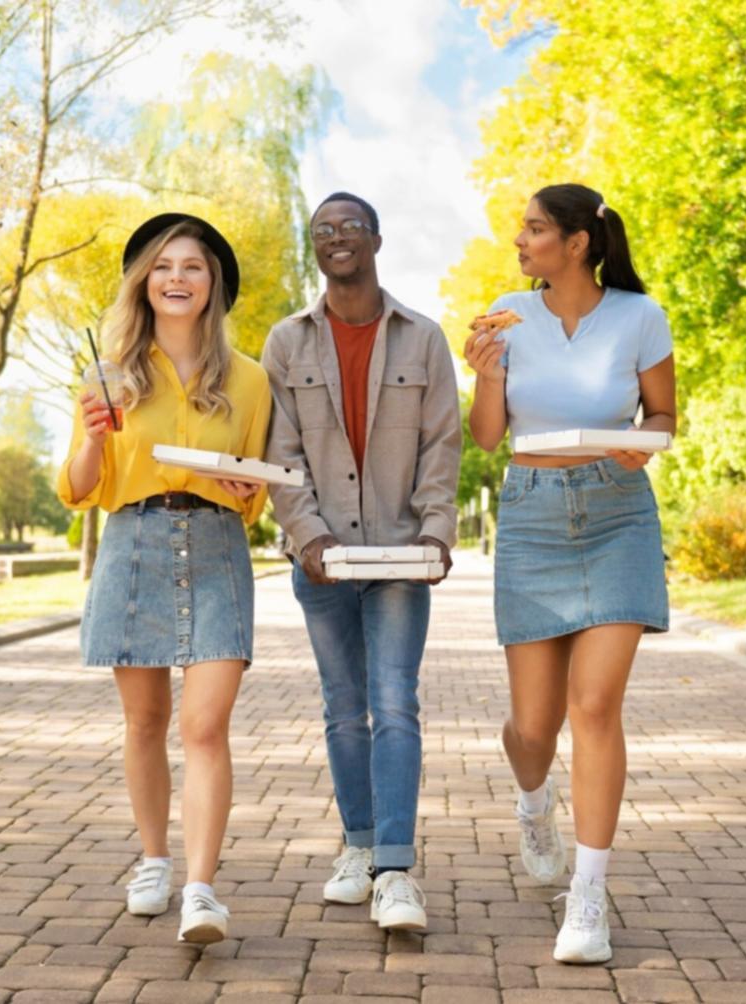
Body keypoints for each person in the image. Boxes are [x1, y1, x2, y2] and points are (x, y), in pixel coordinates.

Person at [463, 183, 676, 964]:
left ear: (578, 242)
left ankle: (588, 896)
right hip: (531, 516)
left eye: (534, 229)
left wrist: (642, 445)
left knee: (594, 707)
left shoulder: (639, 316)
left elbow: (662, 415)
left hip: (617, 513)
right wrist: (486, 375)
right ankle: (533, 801)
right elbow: (487, 438)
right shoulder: (505, 315)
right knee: (534, 727)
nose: (519, 240)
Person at [56, 212, 272, 945]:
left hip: (215, 547)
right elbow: (78, 488)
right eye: (163, 266)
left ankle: (202, 890)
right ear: (144, 282)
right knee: (145, 721)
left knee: (204, 725)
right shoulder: (110, 374)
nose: (177, 278)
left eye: (193, 267)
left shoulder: (249, 380)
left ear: (213, 285)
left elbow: (254, 488)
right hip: (134, 542)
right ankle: (154, 860)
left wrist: (248, 488)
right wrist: (93, 436)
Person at [262, 192, 461, 931]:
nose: (336, 237)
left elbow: (442, 444)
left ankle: (396, 870)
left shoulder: (423, 338)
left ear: (376, 240)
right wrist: (307, 534)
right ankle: (358, 844)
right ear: (314, 247)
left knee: (394, 703)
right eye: (323, 229)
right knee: (343, 708)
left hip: (400, 557)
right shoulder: (286, 342)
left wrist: (436, 532)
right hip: (322, 560)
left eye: (350, 226)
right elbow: (279, 452)